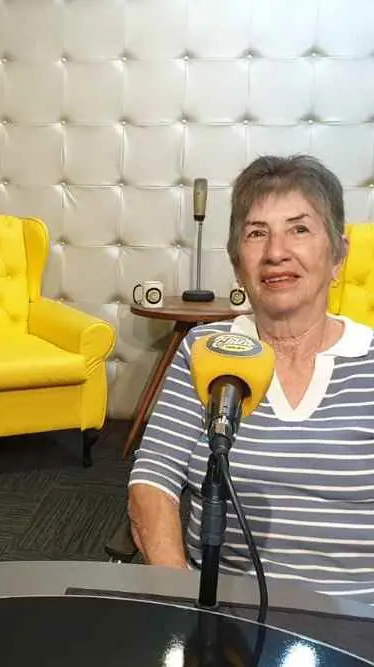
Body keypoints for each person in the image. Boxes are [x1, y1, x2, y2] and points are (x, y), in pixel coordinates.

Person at [128, 154, 374, 605]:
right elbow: (153, 480)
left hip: (355, 616)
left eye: (299, 229)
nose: (276, 252)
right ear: (238, 264)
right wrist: (181, 598)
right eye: (257, 233)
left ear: (338, 255)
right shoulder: (205, 350)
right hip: (222, 610)